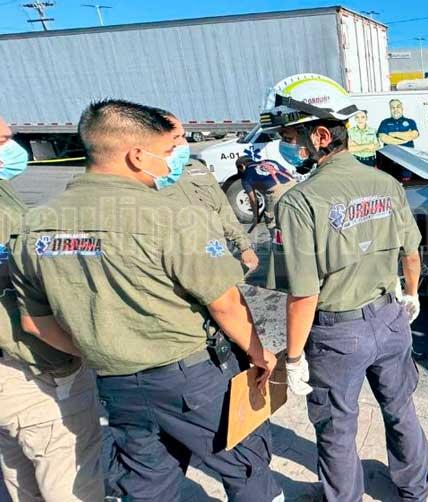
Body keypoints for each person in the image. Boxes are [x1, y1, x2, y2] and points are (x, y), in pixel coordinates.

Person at [10, 100, 282, 501]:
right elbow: (225, 303)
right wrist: (260, 356)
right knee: (245, 464)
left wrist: (108, 353)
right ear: (137, 155)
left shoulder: (34, 226)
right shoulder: (173, 217)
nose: (174, 157)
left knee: (147, 479)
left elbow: (35, 322)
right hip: (193, 379)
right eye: (169, 150)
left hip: (118, 385)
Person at [262, 73, 428, 501]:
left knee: (337, 426)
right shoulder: (386, 183)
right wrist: (411, 294)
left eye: (291, 137)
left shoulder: (300, 201)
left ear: (321, 136)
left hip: (338, 336)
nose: (287, 146)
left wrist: (294, 358)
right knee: (401, 408)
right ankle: (415, 489)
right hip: (391, 318)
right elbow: (412, 252)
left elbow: (304, 293)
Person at [0, 116, 104, 501]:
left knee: (18, 470)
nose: (13, 146)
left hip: (14, 375)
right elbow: (32, 309)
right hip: (31, 370)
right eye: (2, 140)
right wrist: (84, 355)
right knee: (69, 471)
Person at [163, 114, 259, 273]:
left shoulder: (197, 167)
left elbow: (223, 209)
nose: (183, 143)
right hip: (181, 264)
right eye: (175, 137)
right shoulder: (148, 177)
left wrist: (244, 247)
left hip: (216, 253)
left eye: (183, 136)